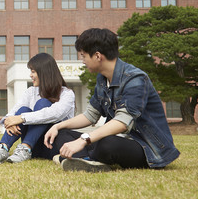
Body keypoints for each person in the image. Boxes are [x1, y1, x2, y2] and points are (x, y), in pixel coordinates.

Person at [44, 28, 180, 172]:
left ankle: (84, 158)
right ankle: (87, 161)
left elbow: (122, 123)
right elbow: (90, 115)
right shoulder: (102, 79)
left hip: (146, 147)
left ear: (97, 56)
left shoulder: (135, 79)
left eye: (83, 56)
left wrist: (83, 140)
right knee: (63, 133)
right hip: (118, 139)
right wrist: (58, 126)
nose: (82, 60)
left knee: (106, 144)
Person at [0, 53, 75, 165]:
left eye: (33, 71)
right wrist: (10, 121)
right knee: (24, 109)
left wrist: (22, 118)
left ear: (44, 73)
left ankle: (25, 148)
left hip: (53, 144)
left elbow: (54, 114)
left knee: (43, 103)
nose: (30, 75)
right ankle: (3, 148)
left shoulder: (67, 94)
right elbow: (13, 112)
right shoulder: (31, 91)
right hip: (35, 145)